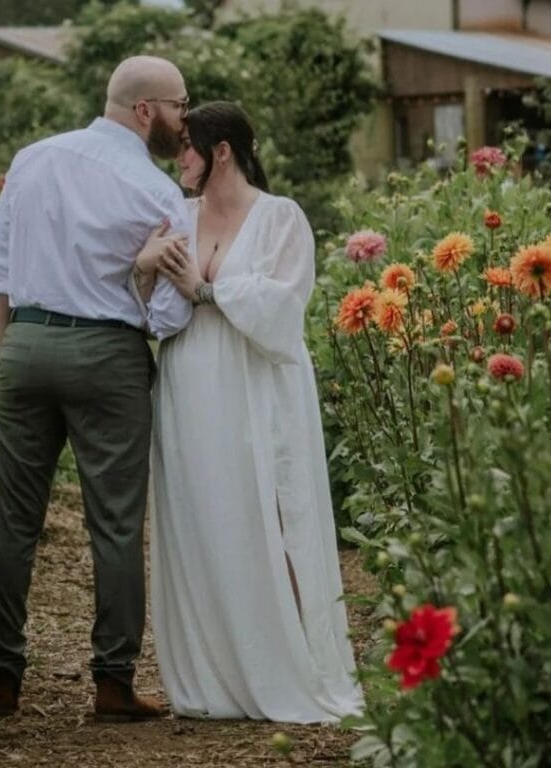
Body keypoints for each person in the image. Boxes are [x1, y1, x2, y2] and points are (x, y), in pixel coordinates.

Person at [0, 55, 194, 722]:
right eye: (180, 105)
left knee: (12, 518)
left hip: (26, 344)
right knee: (117, 524)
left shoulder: (33, 159)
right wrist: (141, 278)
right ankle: (113, 683)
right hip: (108, 355)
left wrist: (16, 347)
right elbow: (168, 316)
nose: (185, 120)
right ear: (146, 110)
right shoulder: (158, 194)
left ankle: (1, 680)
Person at [134, 102, 364, 722]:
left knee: (269, 507)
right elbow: (149, 308)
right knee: (202, 511)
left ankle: (286, 664)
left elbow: (284, 307)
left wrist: (205, 290)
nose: (178, 158)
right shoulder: (176, 218)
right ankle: (215, 673)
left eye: (187, 146)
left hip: (258, 382)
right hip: (189, 380)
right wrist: (146, 271)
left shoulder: (280, 217)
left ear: (223, 151)